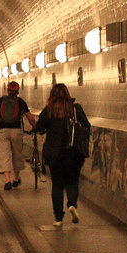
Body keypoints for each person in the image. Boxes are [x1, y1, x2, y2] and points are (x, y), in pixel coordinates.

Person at [33, 82, 91, 227]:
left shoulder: (49, 110)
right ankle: (72, 204)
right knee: (72, 181)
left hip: (54, 152)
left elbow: (38, 127)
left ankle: (58, 218)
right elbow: (87, 125)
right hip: (74, 151)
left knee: (57, 184)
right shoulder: (75, 109)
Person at [0, 81, 35, 190]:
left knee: (4, 154)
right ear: (17, 91)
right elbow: (31, 118)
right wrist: (34, 127)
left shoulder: (1, 100)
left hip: (3, 131)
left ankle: (7, 180)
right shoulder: (20, 101)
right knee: (17, 154)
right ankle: (16, 178)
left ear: (8, 90)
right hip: (16, 131)